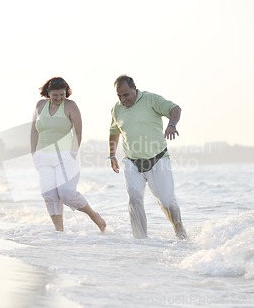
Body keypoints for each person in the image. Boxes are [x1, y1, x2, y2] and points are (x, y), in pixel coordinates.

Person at [108, 75, 187, 239]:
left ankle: (179, 230)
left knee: (166, 201)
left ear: (134, 89)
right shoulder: (117, 109)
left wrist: (171, 125)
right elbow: (114, 132)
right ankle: (140, 240)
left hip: (158, 159)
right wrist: (112, 155)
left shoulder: (151, 99)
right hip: (132, 162)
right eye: (119, 96)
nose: (123, 99)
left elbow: (175, 109)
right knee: (134, 198)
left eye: (126, 95)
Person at [31, 77, 106, 232]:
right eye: (55, 95)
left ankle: (95, 216)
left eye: (62, 95)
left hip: (65, 155)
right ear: (48, 93)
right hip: (43, 156)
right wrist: (33, 152)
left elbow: (78, 132)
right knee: (49, 194)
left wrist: (73, 153)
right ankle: (59, 231)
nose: (59, 98)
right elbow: (33, 130)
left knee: (66, 193)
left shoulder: (71, 106)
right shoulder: (40, 105)